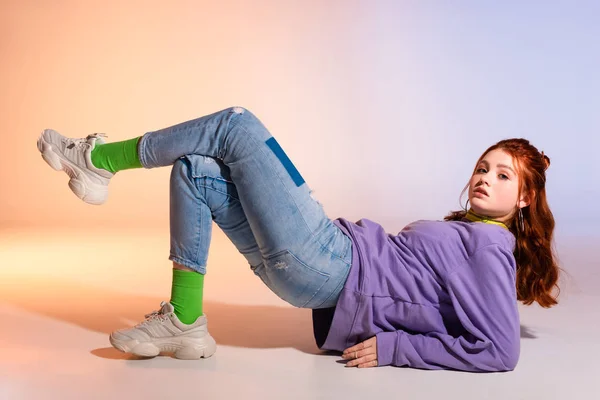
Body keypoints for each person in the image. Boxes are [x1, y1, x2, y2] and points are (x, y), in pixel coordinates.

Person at [37, 106, 560, 372]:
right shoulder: (471, 233)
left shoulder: (492, 248)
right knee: (196, 170)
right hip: (321, 263)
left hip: (332, 264)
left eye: (504, 176)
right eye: (482, 167)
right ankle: (185, 322)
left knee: (237, 125)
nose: (485, 177)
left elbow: (499, 350)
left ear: (524, 200)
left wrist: (398, 347)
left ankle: (98, 160)